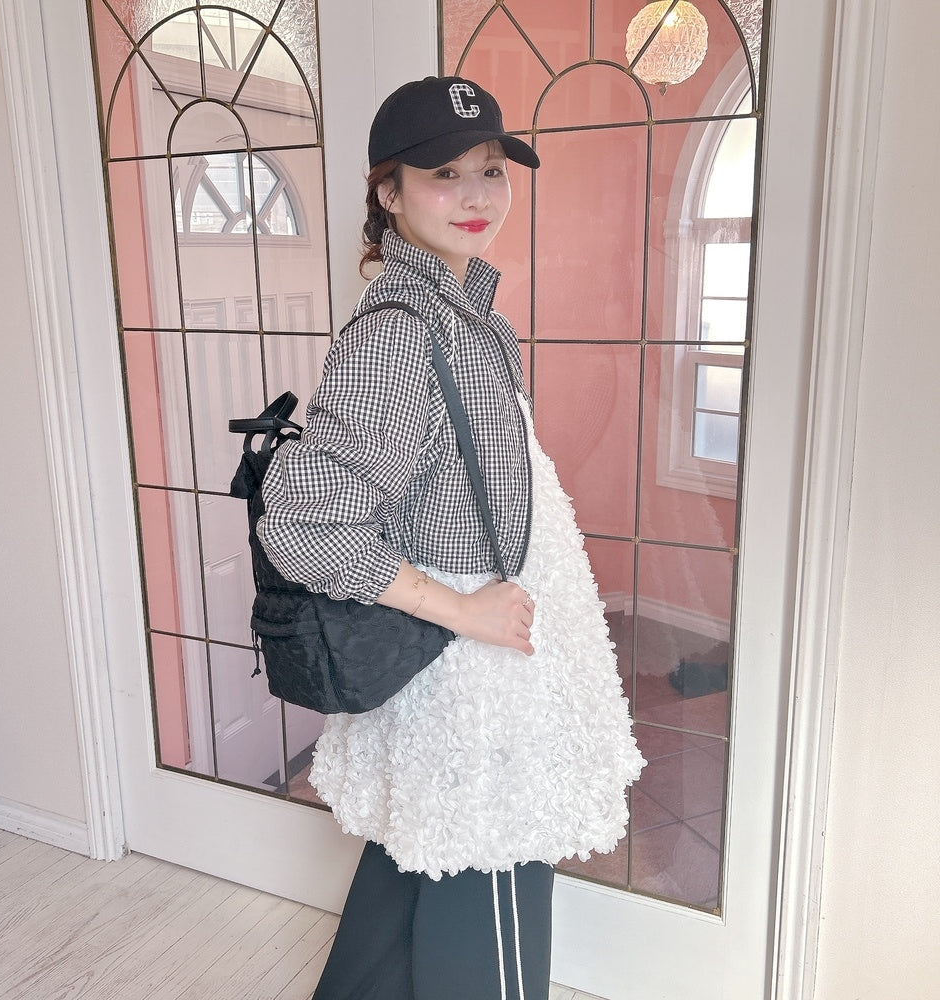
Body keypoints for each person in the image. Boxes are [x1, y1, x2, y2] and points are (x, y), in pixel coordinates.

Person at [258, 76, 645, 1000]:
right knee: (490, 911)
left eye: (491, 169)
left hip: (481, 663)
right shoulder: (401, 335)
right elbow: (305, 524)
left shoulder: (471, 316)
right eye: (443, 174)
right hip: (471, 680)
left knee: (414, 877)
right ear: (389, 193)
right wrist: (463, 611)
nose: (477, 195)